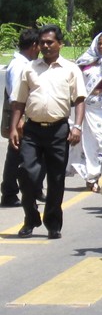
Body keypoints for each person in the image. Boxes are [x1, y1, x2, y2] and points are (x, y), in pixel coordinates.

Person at [9, 24, 87, 239]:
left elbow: (80, 100)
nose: (45, 46)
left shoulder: (71, 69)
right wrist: (15, 127)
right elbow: (19, 101)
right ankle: (30, 217)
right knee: (26, 173)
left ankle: (53, 223)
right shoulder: (29, 68)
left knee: (56, 179)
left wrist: (77, 127)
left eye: (49, 42)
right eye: (42, 42)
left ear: (60, 44)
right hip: (32, 130)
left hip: (58, 130)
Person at [68, 32, 102, 192]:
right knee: (83, 141)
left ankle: (94, 175)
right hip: (86, 106)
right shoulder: (85, 61)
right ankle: (88, 176)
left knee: (99, 141)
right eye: (100, 43)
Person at [2, 29, 40, 208]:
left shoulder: (23, 63)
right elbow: (17, 96)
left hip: (21, 115)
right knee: (18, 155)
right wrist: (19, 121)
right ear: (34, 46)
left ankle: (28, 189)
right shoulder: (20, 66)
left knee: (17, 155)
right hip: (20, 116)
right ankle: (10, 192)